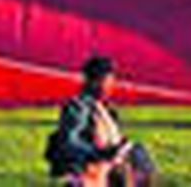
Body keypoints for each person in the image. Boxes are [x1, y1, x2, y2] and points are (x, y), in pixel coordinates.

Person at [46, 54, 157, 187]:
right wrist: (100, 153)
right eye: (109, 80)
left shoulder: (106, 109)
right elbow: (70, 142)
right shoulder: (79, 108)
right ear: (95, 81)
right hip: (91, 177)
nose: (112, 85)